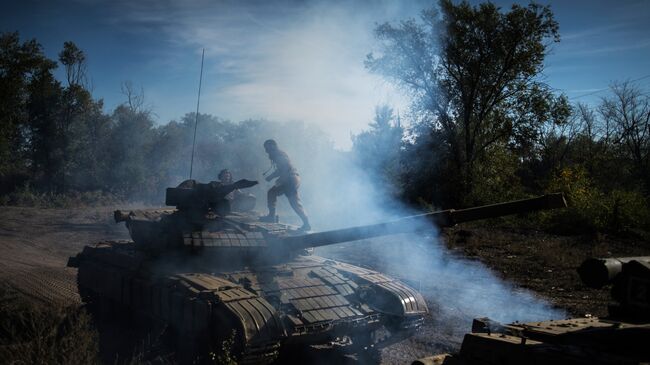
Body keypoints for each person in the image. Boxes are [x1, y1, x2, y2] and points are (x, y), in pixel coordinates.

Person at [261, 139, 311, 231]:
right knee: (275, 194)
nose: (266, 151)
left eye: (267, 148)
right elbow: (281, 169)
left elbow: (285, 169)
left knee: (292, 202)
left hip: (290, 179)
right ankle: (306, 223)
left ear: (272, 146)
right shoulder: (278, 155)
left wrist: (279, 180)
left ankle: (306, 223)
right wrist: (271, 177)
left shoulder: (279, 156)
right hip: (292, 179)